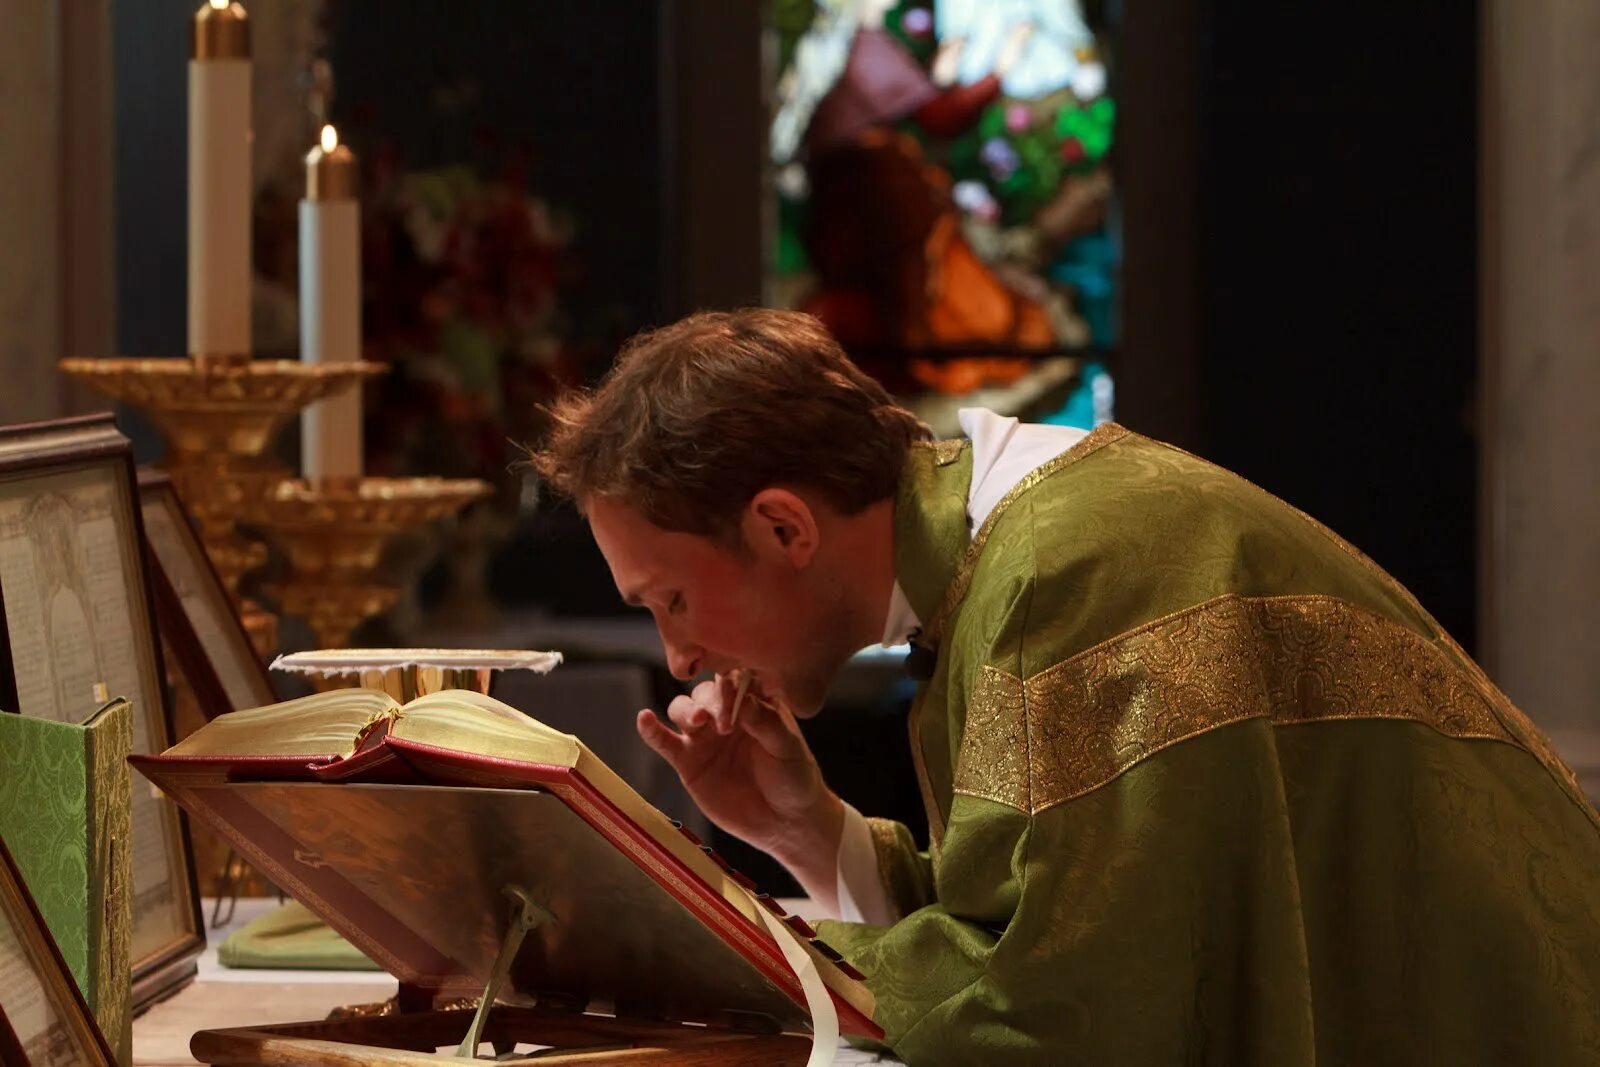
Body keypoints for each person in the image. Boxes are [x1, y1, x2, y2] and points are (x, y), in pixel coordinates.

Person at [528, 308, 1600, 1065]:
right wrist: (811, 834)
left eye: (668, 598)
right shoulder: (1005, 558)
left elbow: (1058, 1015)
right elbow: (1065, 931)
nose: (677, 657)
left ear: (781, 526)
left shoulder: (1065, 570)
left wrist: (707, 953)